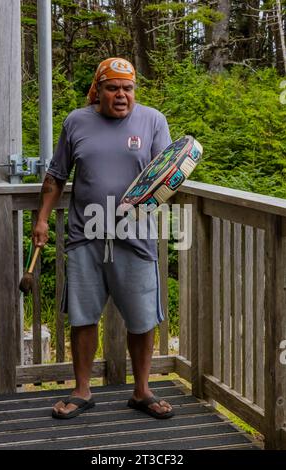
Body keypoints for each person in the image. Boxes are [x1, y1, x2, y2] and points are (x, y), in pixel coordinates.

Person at [33, 57, 174, 420]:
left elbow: (166, 177)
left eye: (128, 88)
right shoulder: (76, 122)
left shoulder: (153, 121)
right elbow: (56, 176)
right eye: (113, 88)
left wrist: (148, 198)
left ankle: (141, 390)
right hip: (85, 236)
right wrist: (43, 220)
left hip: (136, 236)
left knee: (142, 319)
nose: (122, 95)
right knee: (82, 317)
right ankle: (82, 390)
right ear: (98, 91)